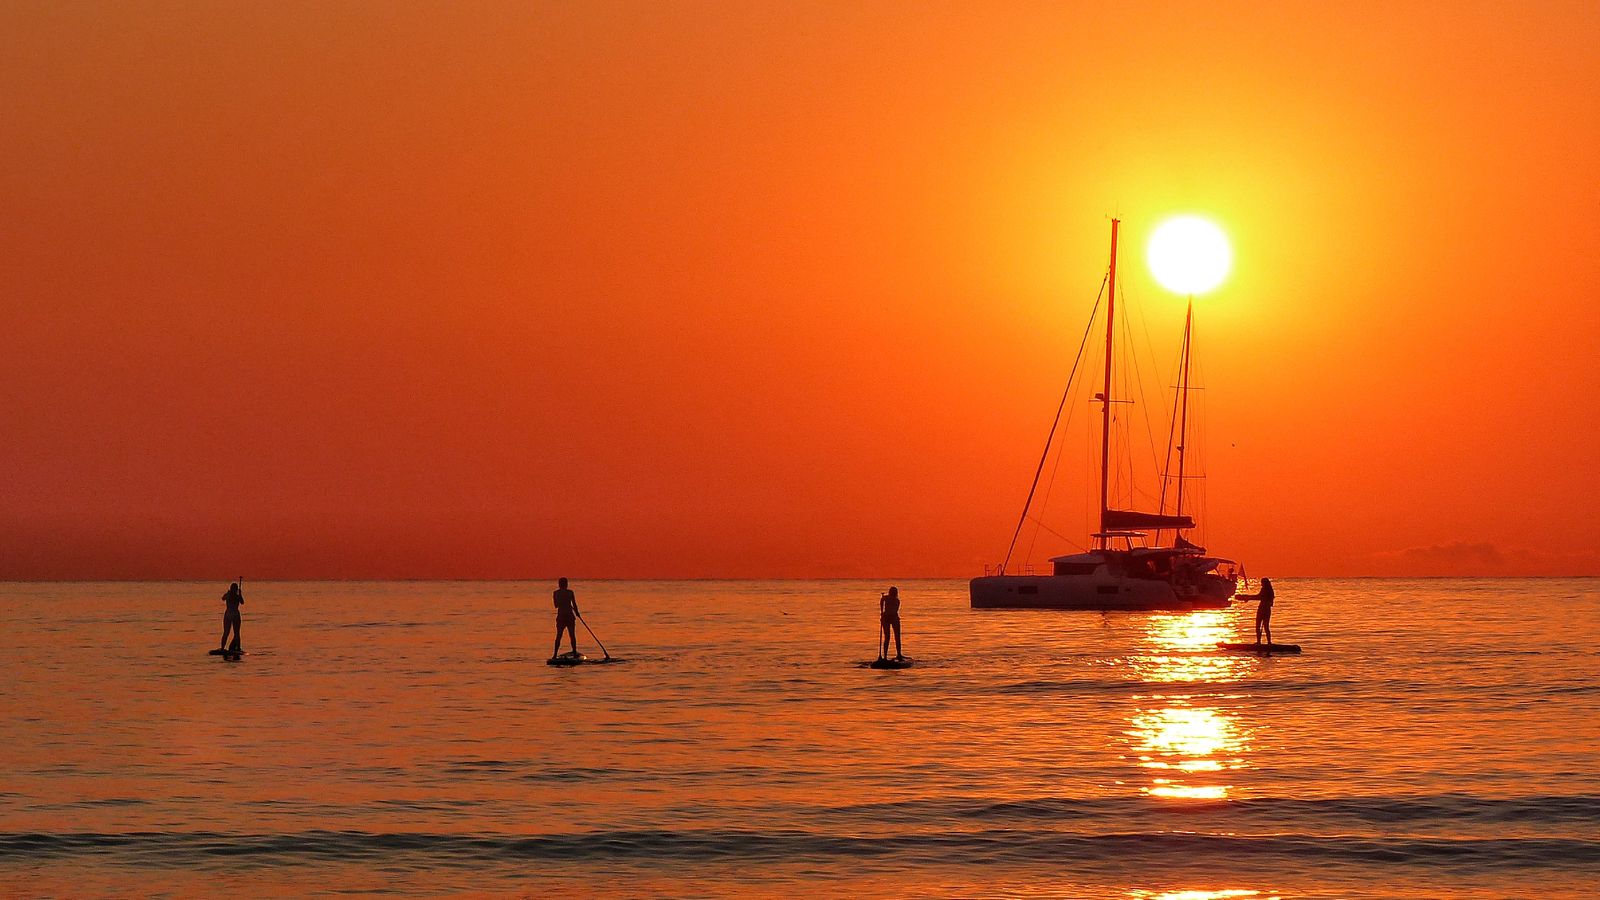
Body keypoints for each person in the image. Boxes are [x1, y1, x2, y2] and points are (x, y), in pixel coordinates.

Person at [1239, 577, 1275, 645]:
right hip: (1267, 609)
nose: (1261, 584)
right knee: (1266, 627)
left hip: (1262, 609)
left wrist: (1248, 598)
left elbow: (1258, 597)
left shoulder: (1265, 589)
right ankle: (1269, 642)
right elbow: (1271, 603)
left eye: (1262, 583)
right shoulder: (1271, 590)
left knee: (1258, 626)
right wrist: (1249, 598)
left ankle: (1259, 642)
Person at [552, 577, 579, 658]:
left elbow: (556, 605)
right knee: (572, 635)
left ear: (559, 584)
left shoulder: (556, 593)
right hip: (567, 616)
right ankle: (574, 653)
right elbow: (574, 605)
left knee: (559, 635)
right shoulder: (570, 593)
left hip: (563, 617)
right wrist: (576, 612)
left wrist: (577, 613)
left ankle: (555, 655)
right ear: (566, 584)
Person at [879, 586, 903, 661]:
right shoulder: (887, 598)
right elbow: (882, 600)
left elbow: (894, 610)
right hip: (887, 618)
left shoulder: (896, 600)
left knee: (897, 636)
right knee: (888, 637)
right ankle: (885, 656)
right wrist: (882, 612)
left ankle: (898, 654)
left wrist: (883, 613)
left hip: (893, 617)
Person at [219, 582, 244, 652]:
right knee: (236, 633)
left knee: (226, 632)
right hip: (235, 615)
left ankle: (222, 648)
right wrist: (240, 594)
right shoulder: (237, 596)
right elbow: (242, 602)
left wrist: (228, 593)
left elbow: (223, 598)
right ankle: (238, 648)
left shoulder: (228, 595)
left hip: (228, 615)